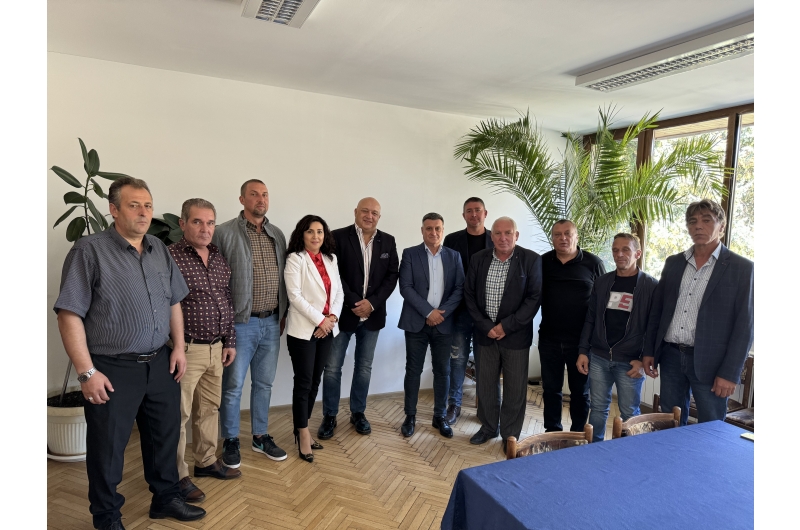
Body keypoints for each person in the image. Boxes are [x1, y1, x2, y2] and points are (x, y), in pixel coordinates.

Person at [54, 177, 205, 530]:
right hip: (111, 368)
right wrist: (87, 372)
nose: (143, 212)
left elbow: (174, 302)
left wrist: (178, 347)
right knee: (108, 448)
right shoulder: (89, 251)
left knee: (164, 437)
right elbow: (69, 314)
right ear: (114, 209)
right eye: (134, 205)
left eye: (148, 205)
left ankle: (166, 498)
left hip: (160, 362)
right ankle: (107, 518)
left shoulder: (158, 248)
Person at [643, 199, 754, 425]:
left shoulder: (741, 268)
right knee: (670, 422)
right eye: (692, 221)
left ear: (721, 226)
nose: (698, 226)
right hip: (671, 356)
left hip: (712, 363)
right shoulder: (674, 263)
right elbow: (658, 311)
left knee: (710, 427)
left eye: (707, 220)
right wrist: (649, 351)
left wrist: (730, 373)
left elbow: (745, 326)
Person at [168, 199, 241, 504]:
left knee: (209, 409)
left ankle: (206, 461)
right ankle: (178, 475)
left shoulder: (218, 257)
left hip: (216, 349)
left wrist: (230, 340)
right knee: (179, 415)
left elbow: (226, 299)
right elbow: (165, 304)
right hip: (186, 350)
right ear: (183, 223)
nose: (205, 228)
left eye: (210, 222)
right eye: (197, 221)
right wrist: (175, 347)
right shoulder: (171, 257)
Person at [212, 179, 288, 466]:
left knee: (264, 384)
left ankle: (260, 436)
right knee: (233, 386)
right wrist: (224, 325)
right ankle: (230, 439)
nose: (261, 199)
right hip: (240, 325)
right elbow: (215, 281)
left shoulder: (276, 234)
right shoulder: (224, 233)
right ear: (242, 199)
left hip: (272, 322)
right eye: (254, 194)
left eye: (265, 194)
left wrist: (283, 314)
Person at [318, 197, 399, 440]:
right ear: (355, 212)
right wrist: (355, 302)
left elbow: (392, 276)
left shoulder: (388, 241)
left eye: (374, 213)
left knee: (364, 367)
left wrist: (371, 303)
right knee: (332, 368)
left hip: (373, 316)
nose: (369, 216)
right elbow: (333, 273)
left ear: (379, 217)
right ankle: (329, 415)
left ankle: (358, 413)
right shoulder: (337, 237)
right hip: (343, 313)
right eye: (365, 211)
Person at [465, 217, 543, 448]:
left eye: (508, 233)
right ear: (492, 236)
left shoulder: (531, 260)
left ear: (516, 235)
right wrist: (486, 326)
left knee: (515, 388)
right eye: (498, 233)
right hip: (485, 335)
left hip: (515, 336)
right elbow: (469, 295)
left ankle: (510, 434)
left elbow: (534, 298)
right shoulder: (478, 259)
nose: (503, 238)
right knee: (486, 385)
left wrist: (505, 326)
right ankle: (488, 427)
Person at [576, 233, 658, 442]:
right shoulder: (602, 282)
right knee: (597, 408)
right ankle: (594, 449)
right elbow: (590, 319)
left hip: (630, 361)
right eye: (615, 250)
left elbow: (654, 328)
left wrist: (643, 360)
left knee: (630, 412)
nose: (619, 254)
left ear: (637, 253)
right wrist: (583, 351)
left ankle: (629, 454)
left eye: (625, 250)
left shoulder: (650, 286)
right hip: (599, 357)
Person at [397, 213, 465, 438]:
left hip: (444, 323)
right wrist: (428, 312)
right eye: (429, 228)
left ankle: (439, 417)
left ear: (443, 230)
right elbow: (406, 287)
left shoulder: (454, 256)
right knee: (413, 371)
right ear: (422, 230)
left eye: (437, 228)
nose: (433, 232)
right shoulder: (410, 254)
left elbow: (460, 288)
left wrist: (440, 314)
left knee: (443, 371)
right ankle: (410, 416)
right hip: (416, 323)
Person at [284, 215, 344, 462]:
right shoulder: (295, 259)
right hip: (303, 331)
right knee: (304, 382)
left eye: (320, 231)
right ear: (302, 234)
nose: (316, 236)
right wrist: (321, 320)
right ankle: (303, 433)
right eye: (310, 231)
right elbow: (295, 296)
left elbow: (338, 292)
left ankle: (303, 427)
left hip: (327, 329)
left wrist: (331, 318)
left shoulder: (331, 259)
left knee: (315, 381)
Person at [538, 220, 606, 432]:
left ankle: (578, 434)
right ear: (552, 238)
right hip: (549, 339)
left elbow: (602, 304)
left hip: (581, 343)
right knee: (551, 389)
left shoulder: (593, 263)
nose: (563, 238)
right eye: (557, 234)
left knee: (580, 392)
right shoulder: (542, 262)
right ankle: (552, 432)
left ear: (576, 236)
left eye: (568, 233)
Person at [442, 197, 494, 425]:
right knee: (457, 359)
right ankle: (454, 404)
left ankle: (485, 407)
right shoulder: (452, 240)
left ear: (485, 213)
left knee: (486, 362)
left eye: (477, 210)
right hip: (460, 310)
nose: (474, 214)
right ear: (463, 215)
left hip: (487, 313)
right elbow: (446, 275)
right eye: (469, 211)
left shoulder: (496, 239)